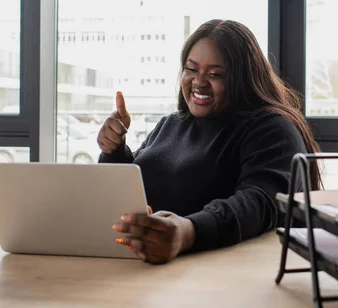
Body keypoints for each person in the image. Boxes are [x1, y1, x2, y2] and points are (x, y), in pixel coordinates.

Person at [97, 19, 321, 264]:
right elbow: (133, 190)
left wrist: (188, 232)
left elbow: (260, 203)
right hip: (139, 268)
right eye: (191, 69)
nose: (199, 82)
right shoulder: (170, 124)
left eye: (215, 74)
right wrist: (114, 149)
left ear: (244, 78)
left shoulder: (272, 128)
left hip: (220, 277)